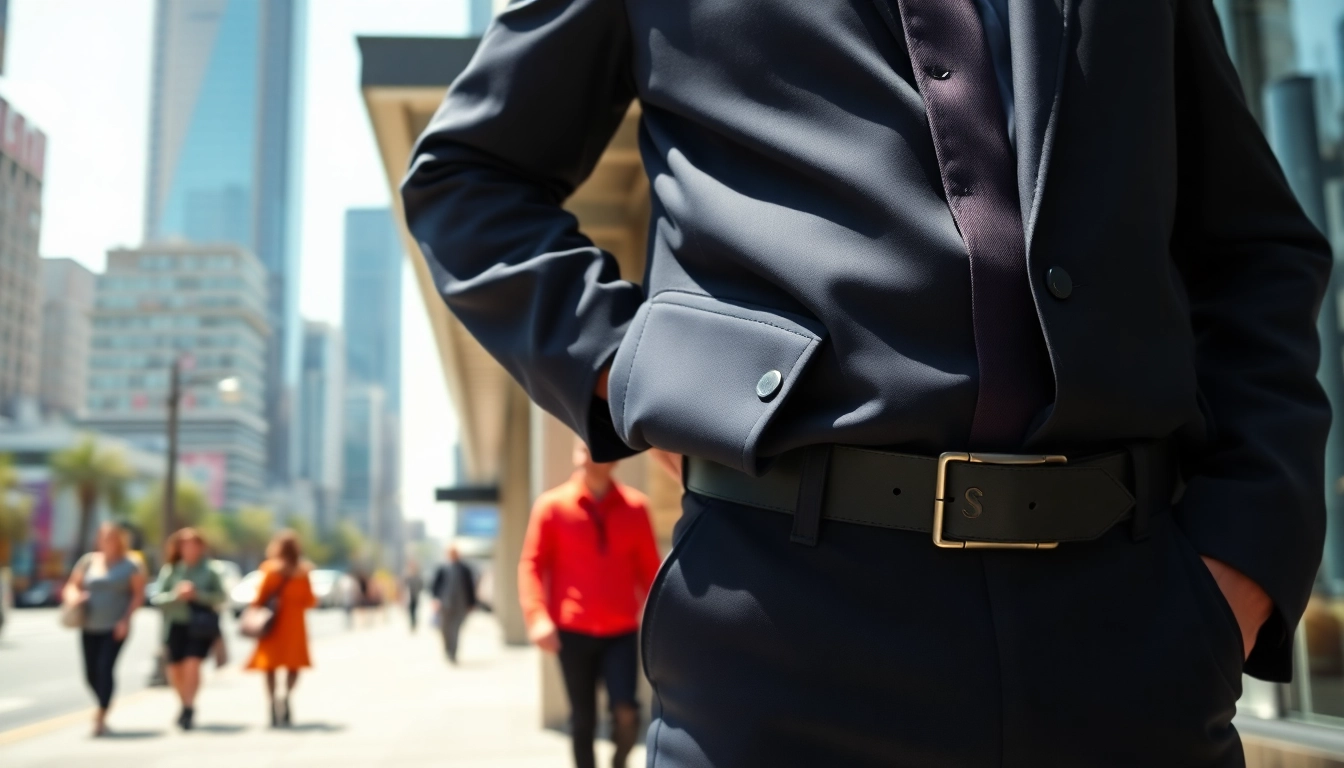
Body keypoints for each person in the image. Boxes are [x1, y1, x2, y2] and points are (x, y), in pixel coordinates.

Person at [402, 0, 1333, 764]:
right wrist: (632, 362)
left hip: (1133, 628)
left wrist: (1246, 553)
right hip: (786, 633)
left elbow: (1253, 252)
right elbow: (467, 179)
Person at [518, 441, 661, 768]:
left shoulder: (636, 508)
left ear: (617, 460)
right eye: (585, 447)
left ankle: (619, 760)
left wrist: (664, 623)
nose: (592, 455)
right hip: (572, 632)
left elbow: (652, 573)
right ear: (575, 453)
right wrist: (536, 616)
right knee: (583, 721)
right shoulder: (551, 507)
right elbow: (531, 565)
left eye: (598, 447)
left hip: (621, 631)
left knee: (628, 714)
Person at [62, 522, 146, 736]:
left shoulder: (131, 564)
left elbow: (138, 595)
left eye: (112, 537)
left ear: (120, 540)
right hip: (89, 624)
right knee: (90, 673)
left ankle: (101, 714)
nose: (108, 541)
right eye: (104, 537)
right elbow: (73, 584)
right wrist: (74, 597)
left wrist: (125, 620)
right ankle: (102, 702)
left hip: (115, 626)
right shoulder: (89, 561)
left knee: (104, 668)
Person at [151, 527, 225, 731]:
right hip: (175, 625)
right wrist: (176, 595)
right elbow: (157, 598)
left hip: (200, 626)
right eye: (184, 544)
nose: (189, 548)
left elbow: (221, 597)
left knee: (193, 664)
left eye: (193, 544)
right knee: (175, 670)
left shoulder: (211, 570)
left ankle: (189, 706)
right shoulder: (172, 570)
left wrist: (197, 595)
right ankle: (184, 703)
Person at [245, 530, 317, 727]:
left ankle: (272, 702)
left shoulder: (270, 570)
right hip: (294, 627)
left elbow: (259, 598)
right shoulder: (303, 572)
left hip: (273, 626)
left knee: (270, 667)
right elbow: (310, 600)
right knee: (293, 666)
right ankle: (286, 697)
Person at [430, 545, 476, 663]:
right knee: (445, 629)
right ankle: (447, 649)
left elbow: (470, 587)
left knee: (455, 629)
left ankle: (453, 653)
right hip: (445, 605)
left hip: (461, 605)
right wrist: (435, 600)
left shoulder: (465, 569)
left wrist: (471, 603)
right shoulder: (442, 568)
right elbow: (435, 586)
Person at [403, 561, 424, 632]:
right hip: (409, 597)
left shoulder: (418, 577)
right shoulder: (408, 576)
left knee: (414, 611)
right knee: (410, 611)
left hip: (416, 597)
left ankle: (414, 623)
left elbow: (421, 586)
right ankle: (412, 623)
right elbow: (404, 585)